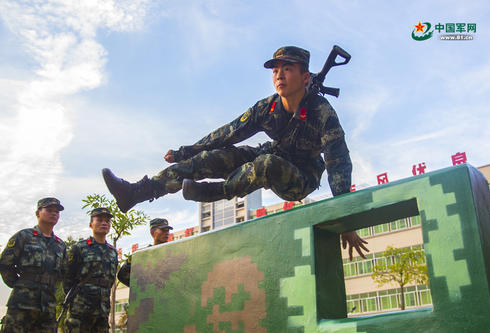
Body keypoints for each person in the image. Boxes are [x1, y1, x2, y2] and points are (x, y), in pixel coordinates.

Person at [103, 46, 368, 259]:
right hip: (271, 153)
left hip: (300, 178)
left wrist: (345, 218)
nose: (279, 76)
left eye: (288, 69)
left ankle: (217, 192)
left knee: (265, 164)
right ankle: (138, 192)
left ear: (305, 77)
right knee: (212, 159)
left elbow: (339, 163)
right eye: (276, 70)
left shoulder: (322, 113)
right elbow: (228, 132)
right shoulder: (268, 108)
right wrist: (187, 151)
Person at [0, 197, 66, 333]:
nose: (54, 214)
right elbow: (5, 264)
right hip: (22, 304)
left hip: (48, 306)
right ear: (38, 213)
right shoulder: (24, 236)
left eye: (57, 212)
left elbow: (62, 274)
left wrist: (49, 287)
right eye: (49, 210)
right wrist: (20, 285)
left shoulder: (60, 245)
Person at [63, 207, 118, 333]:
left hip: (102, 310)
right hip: (80, 309)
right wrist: (77, 299)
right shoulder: (80, 248)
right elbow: (67, 278)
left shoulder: (112, 252)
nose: (104, 223)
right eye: (99, 220)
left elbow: (110, 280)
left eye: (107, 221)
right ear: (90, 224)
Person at [117, 218, 173, 287]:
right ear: (152, 232)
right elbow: (122, 275)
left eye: (167, 230)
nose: (167, 233)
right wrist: (140, 287)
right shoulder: (141, 255)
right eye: (163, 230)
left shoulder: (173, 252)